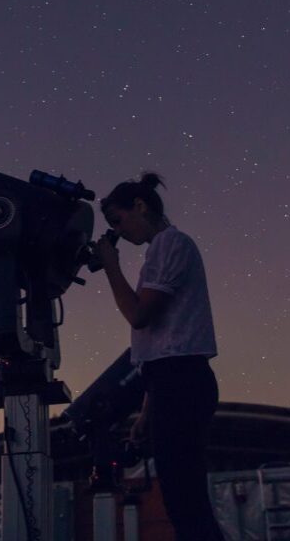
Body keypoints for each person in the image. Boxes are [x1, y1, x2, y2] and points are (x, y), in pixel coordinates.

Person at [93, 173, 225, 541]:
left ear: (140, 206)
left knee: (186, 501)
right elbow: (162, 341)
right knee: (182, 499)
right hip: (170, 380)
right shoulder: (161, 250)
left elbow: (139, 315)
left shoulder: (171, 244)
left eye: (118, 221)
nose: (120, 232)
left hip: (181, 381)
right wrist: (148, 410)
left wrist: (110, 266)